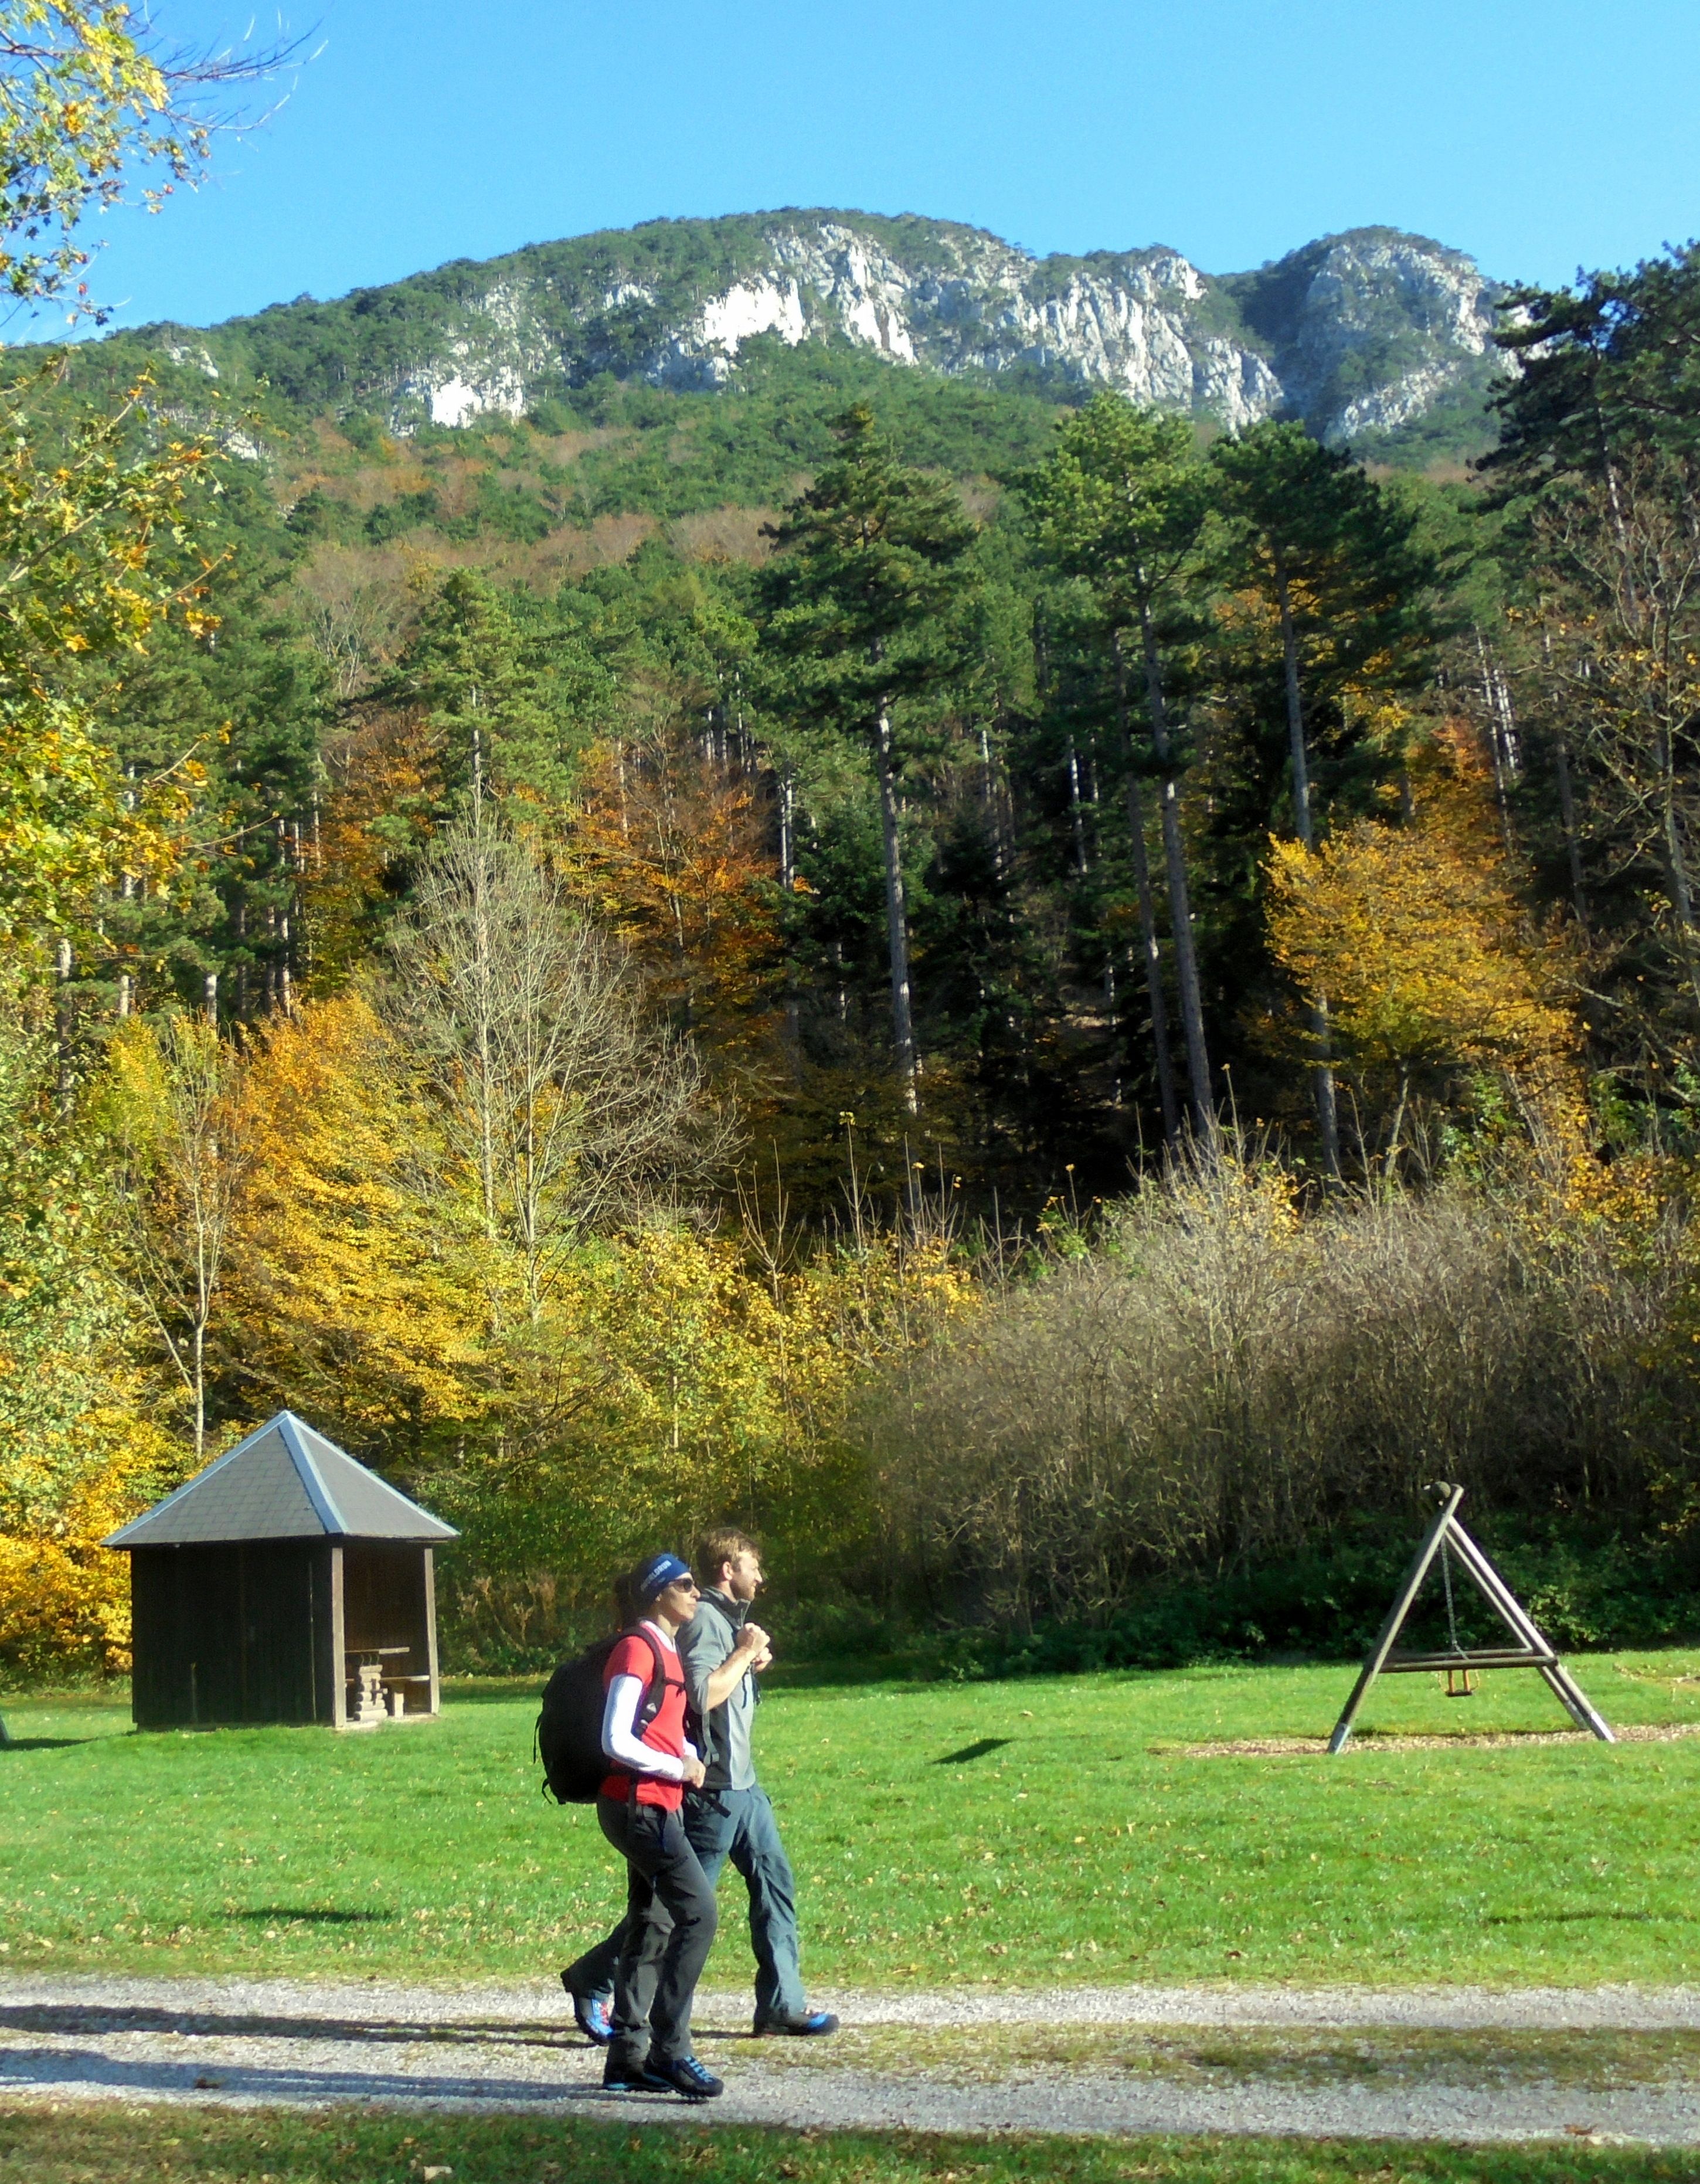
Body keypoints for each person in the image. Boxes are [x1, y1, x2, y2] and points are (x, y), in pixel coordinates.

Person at [563, 1529, 838, 2041]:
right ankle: (593, 1979)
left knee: (775, 1887)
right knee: (674, 1907)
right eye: (753, 1564)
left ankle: (782, 2003)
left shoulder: (721, 1620)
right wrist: (742, 1655)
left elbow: (726, 1690)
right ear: (727, 1569)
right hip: (711, 1789)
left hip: (744, 1786)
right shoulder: (704, 1620)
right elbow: (699, 1694)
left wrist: (751, 1660)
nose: (762, 1575)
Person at [593, 1550, 723, 2100]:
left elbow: (660, 1725)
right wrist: (678, 1765)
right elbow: (615, 1738)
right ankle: (672, 2050)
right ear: (657, 1593)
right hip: (638, 1806)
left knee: (654, 1923)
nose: (696, 1592)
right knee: (699, 1912)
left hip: (654, 1802)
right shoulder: (637, 1646)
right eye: (686, 1584)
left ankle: (627, 2060)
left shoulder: (666, 1646)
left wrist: (688, 1750)